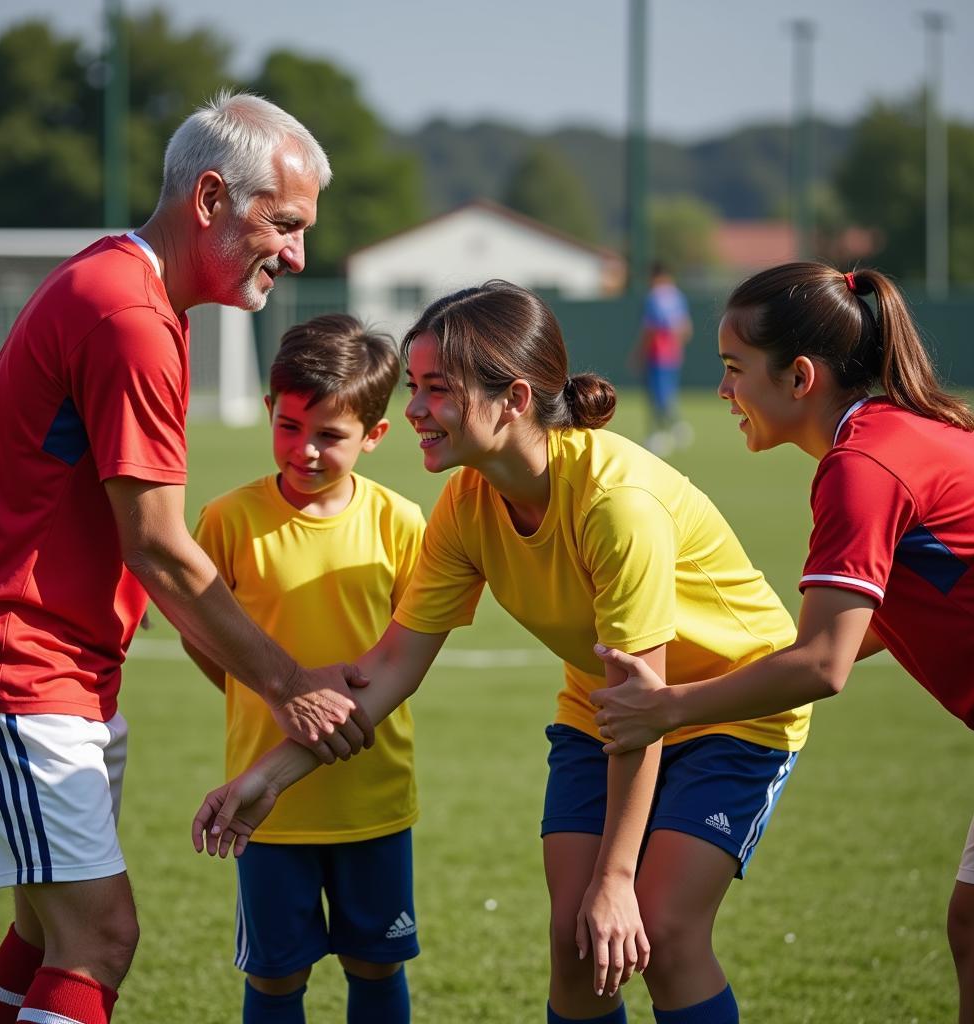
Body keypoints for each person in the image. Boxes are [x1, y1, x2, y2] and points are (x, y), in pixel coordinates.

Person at [192, 280, 813, 1024]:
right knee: (575, 942)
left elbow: (647, 705)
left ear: (515, 398)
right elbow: (389, 668)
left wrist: (616, 877)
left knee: (664, 933)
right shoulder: (466, 501)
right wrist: (272, 776)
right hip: (603, 712)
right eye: (414, 389)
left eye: (435, 390)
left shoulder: (616, 503)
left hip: (732, 711)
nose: (413, 408)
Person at [0, 93, 376, 1024]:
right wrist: (286, 683)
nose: (298, 255)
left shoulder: (129, 290)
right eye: (287, 224)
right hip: (18, 661)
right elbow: (159, 547)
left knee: (46, 932)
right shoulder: (129, 315)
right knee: (98, 939)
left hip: (56, 663)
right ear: (213, 197)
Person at [590, 262, 974, 1023]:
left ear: (798, 376)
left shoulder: (861, 464)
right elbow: (862, 631)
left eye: (734, 370)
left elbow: (824, 664)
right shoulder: (896, 435)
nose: (725, 390)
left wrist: (669, 707)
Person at [183, 314, 426, 1024]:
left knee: (377, 965)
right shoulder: (228, 519)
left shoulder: (400, 522)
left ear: (374, 436)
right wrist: (264, 694)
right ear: (269, 410)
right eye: (289, 427)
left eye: (330, 435)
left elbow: (408, 654)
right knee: (276, 977)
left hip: (372, 796)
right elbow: (203, 633)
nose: (306, 450)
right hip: (268, 807)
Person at [632, 262, 694, 456]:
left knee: (657, 396)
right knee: (667, 394)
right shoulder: (677, 295)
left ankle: (664, 433)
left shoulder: (655, 297)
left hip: (657, 353)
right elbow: (686, 329)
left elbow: (650, 330)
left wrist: (639, 353)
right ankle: (674, 429)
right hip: (672, 354)